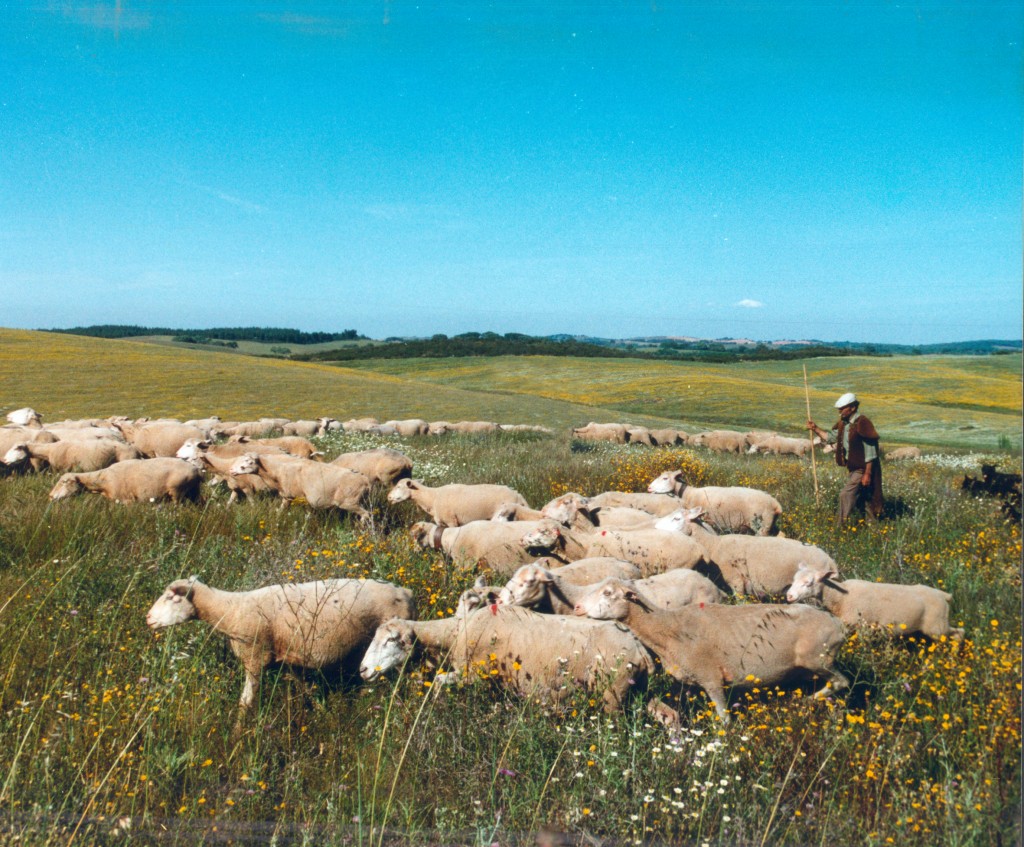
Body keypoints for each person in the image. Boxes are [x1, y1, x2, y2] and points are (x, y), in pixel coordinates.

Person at [808, 392, 883, 524]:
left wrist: (867, 473)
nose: (840, 411)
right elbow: (831, 437)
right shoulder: (844, 423)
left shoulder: (863, 423)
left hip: (863, 468)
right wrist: (815, 429)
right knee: (865, 497)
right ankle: (872, 526)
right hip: (853, 467)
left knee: (845, 494)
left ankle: (840, 526)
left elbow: (870, 451)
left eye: (842, 408)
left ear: (852, 408)